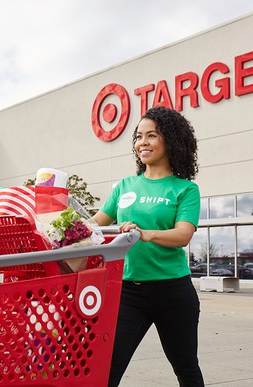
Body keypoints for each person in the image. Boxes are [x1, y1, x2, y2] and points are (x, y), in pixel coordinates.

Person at [92, 106, 204, 386]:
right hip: (128, 292)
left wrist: (145, 234)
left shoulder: (185, 189)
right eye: (138, 136)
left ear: (171, 140)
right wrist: (59, 221)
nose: (142, 142)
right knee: (105, 371)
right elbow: (93, 225)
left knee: (186, 369)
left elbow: (183, 235)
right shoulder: (124, 187)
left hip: (173, 291)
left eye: (151, 135)